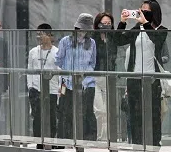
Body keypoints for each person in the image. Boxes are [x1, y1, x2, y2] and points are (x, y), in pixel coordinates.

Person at [114, 0, 168, 152]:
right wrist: (122, 22)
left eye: (146, 11)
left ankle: (154, 148)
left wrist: (146, 24)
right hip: (134, 78)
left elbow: (157, 41)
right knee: (135, 114)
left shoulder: (160, 29)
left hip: (152, 79)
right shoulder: (137, 29)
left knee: (153, 114)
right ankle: (139, 148)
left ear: (154, 13)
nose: (142, 13)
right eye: (141, 10)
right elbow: (118, 40)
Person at [56, 13, 98, 141]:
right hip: (67, 82)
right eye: (80, 29)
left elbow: (92, 62)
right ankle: (65, 139)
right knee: (66, 112)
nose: (82, 32)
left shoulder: (91, 43)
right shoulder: (65, 41)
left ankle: (86, 140)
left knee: (86, 112)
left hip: (86, 83)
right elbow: (58, 60)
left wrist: (85, 77)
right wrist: (66, 74)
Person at [27, 23, 60, 141]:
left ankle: (50, 141)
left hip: (52, 89)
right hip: (36, 89)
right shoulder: (33, 52)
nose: (39, 37)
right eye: (37, 35)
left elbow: (59, 71)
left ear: (49, 35)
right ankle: (37, 142)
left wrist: (60, 89)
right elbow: (29, 70)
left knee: (51, 118)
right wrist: (30, 87)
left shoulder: (57, 52)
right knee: (37, 118)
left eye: (41, 34)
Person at [92, 11, 117, 141]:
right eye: (104, 23)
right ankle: (99, 137)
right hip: (95, 76)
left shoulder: (112, 38)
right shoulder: (93, 38)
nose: (106, 26)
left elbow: (123, 38)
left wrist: (123, 22)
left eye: (109, 23)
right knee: (99, 110)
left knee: (108, 110)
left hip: (109, 76)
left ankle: (107, 138)